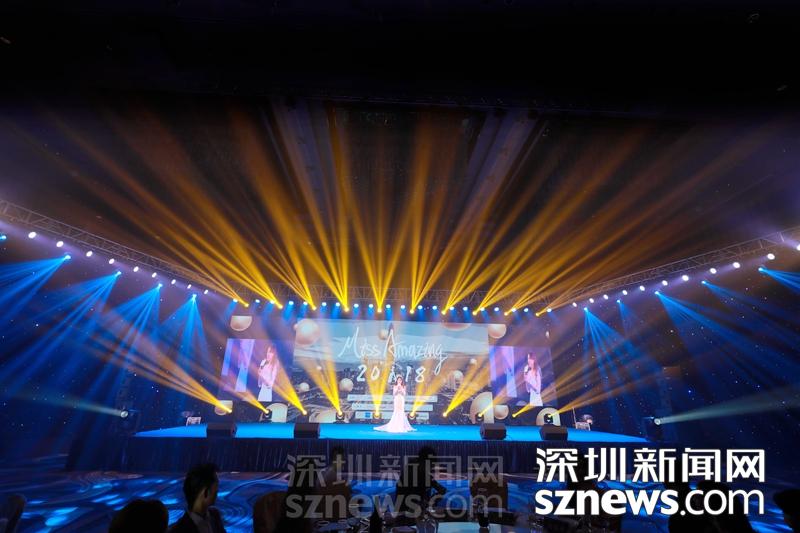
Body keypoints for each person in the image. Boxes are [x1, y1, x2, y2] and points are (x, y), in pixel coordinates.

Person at [170, 463, 227, 533]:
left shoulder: (215, 516)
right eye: (216, 487)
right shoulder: (179, 530)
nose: (218, 491)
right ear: (206, 492)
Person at [396, 446, 446, 515]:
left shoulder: (423, 473)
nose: (431, 468)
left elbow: (442, 490)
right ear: (423, 462)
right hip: (406, 514)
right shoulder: (410, 474)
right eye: (430, 465)